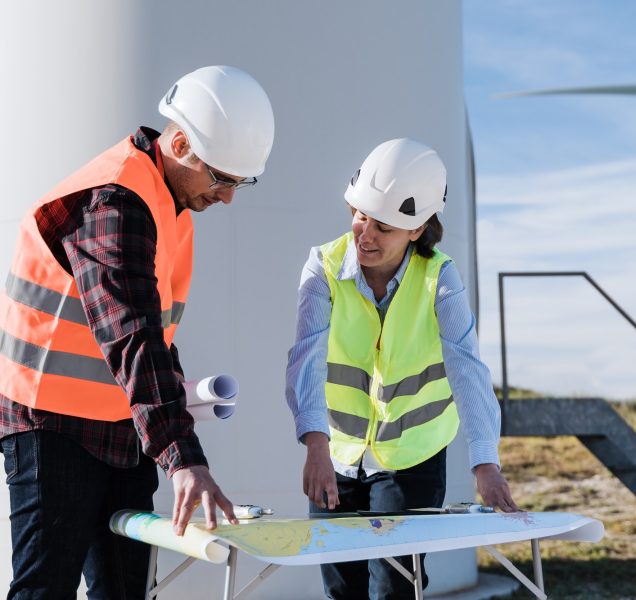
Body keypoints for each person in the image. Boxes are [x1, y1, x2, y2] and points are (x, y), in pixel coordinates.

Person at [0, 65, 275, 599]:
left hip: (120, 429)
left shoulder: (169, 208)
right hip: (50, 426)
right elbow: (131, 333)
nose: (228, 198)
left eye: (240, 183)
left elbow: (158, 337)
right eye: (222, 179)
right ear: (179, 143)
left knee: (126, 590)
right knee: (44, 590)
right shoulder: (114, 201)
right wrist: (183, 455)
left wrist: (174, 415)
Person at [286, 138, 519, 599]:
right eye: (360, 216)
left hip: (412, 457)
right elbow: (305, 358)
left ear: (416, 230)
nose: (365, 234)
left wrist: (485, 462)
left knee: (393, 588)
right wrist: (315, 443)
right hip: (337, 452)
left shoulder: (440, 277)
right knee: (340, 589)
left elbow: (467, 368)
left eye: (384, 226)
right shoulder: (323, 268)